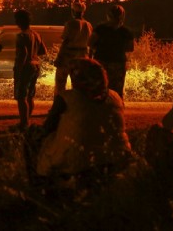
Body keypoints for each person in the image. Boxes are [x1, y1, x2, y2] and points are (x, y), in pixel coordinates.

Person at [34, 58, 132, 190]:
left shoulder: (67, 98)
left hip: (78, 162)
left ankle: (40, 186)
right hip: (118, 158)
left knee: (33, 138)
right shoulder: (115, 97)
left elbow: (47, 129)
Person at [89, 4, 134, 98]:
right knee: (117, 89)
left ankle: (100, 108)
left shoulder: (100, 29)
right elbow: (130, 48)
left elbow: (90, 43)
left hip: (101, 61)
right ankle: (116, 108)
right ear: (122, 16)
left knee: (100, 87)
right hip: (118, 63)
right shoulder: (126, 31)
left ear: (108, 15)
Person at [13, 9, 47, 130]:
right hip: (35, 66)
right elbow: (43, 51)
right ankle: (27, 120)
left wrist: (19, 69)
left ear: (19, 21)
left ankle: (24, 123)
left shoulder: (21, 36)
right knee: (30, 95)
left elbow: (23, 54)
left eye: (16, 20)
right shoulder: (36, 34)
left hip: (26, 66)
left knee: (21, 96)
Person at [54, 1, 93, 97]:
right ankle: (77, 106)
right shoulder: (89, 25)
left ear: (73, 11)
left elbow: (66, 42)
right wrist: (90, 59)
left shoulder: (70, 24)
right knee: (78, 85)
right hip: (82, 58)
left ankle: (59, 106)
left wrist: (59, 58)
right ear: (83, 12)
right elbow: (91, 44)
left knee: (60, 84)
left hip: (68, 58)